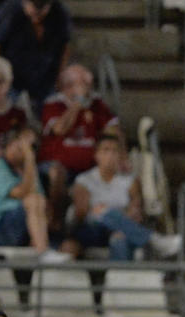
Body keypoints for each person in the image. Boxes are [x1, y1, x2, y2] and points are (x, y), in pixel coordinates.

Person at [67, 134, 182, 260]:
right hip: (92, 230)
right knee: (103, 212)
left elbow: (136, 207)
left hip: (123, 226)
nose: (110, 155)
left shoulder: (129, 180)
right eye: (105, 150)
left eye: (114, 151)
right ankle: (153, 240)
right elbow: (81, 214)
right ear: (96, 155)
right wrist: (104, 213)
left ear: (120, 156)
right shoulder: (84, 180)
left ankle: (118, 277)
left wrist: (123, 218)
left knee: (119, 237)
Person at [39, 63, 121, 231]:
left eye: (87, 85)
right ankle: (56, 223)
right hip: (59, 164)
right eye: (83, 84)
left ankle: (94, 229)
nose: (87, 89)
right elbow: (59, 129)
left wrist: (123, 157)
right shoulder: (54, 104)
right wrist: (77, 104)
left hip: (90, 165)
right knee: (56, 173)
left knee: (113, 167)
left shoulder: (96, 104)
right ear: (67, 86)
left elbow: (114, 131)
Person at [0, 0, 72, 108]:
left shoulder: (60, 13)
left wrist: (61, 75)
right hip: (12, 80)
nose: (37, 16)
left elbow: (65, 48)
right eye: (34, 11)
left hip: (45, 79)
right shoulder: (10, 11)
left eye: (41, 11)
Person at [0, 125, 50, 253]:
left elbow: (40, 199)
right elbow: (23, 192)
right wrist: (29, 157)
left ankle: (41, 246)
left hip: (22, 228)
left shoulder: (28, 170)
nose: (26, 150)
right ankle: (42, 251)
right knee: (32, 200)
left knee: (39, 201)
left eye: (31, 146)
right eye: (22, 145)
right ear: (10, 144)